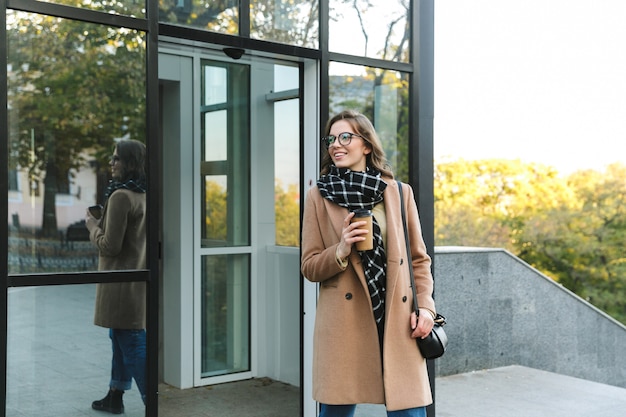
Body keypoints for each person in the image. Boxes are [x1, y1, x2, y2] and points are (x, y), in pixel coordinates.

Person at [300, 110, 437, 417]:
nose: (336, 144)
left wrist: (426, 308)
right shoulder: (318, 198)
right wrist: (342, 248)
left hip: (397, 319)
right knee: (335, 413)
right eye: (331, 139)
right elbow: (309, 266)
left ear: (366, 145)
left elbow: (418, 259)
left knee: (408, 411)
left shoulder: (399, 193)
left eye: (345, 136)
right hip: (343, 326)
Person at [85, 139, 147, 414]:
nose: (111, 163)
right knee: (121, 337)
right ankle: (115, 395)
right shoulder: (144, 193)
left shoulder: (121, 196)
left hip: (121, 283)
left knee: (132, 344)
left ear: (130, 162)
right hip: (135, 281)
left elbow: (111, 245)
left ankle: (151, 400)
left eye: (116, 158)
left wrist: (92, 227)